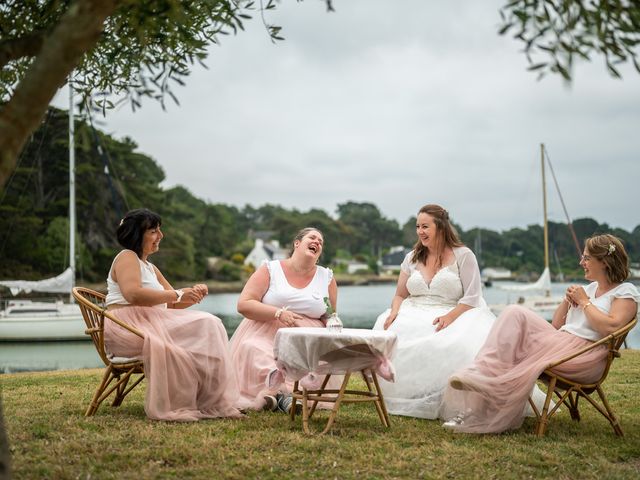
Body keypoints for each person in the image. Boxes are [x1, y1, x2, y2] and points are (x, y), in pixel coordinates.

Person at [441, 233, 640, 433]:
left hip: (585, 356)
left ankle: (484, 388)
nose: (581, 262)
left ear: (605, 262)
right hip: (562, 342)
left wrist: (584, 302)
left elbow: (611, 328)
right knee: (514, 312)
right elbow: (556, 324)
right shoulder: (590, 288)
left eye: (587, 258)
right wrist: (568, 300)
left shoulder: (625, 292)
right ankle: (481, 381)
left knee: (515, 338)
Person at [104, 208, 243, 421]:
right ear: (136, 234)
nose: (161, 236)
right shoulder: (127, 257)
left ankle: (211, 401)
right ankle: (204, 401)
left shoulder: (150, 267)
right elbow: (132, 294)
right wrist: (178, 293)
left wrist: (193, 294)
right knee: (207, 323)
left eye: (159, 230)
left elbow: (172, 302)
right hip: (127, 327)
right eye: (154, 231)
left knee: (210, 324)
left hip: (149, 323)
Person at [372, 204, 496, 419]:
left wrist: (450, 317)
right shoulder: (411, 257)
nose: (420, 231)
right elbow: (400, 294)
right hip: (414, 309)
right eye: (418, 226)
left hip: (454, 310)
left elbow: (473, 296)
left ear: (440, 227)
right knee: (389, 329)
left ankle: (442, 394)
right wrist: (394, 311)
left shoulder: (463, 255)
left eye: (425, 226)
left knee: (452, 340)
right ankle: (408, 393)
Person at [230, 227, 338, 412]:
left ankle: (275, 398)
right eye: (312, 238)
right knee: (253, 348)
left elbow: (329, 312)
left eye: (321, 242)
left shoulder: (326, 278)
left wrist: (332, 322)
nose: (317, 242)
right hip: (266, 329)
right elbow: (244, 304)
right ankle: (283, 397)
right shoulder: (270, 269)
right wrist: (278, 313)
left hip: (306, 338)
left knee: (308, 360)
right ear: (297, 243)